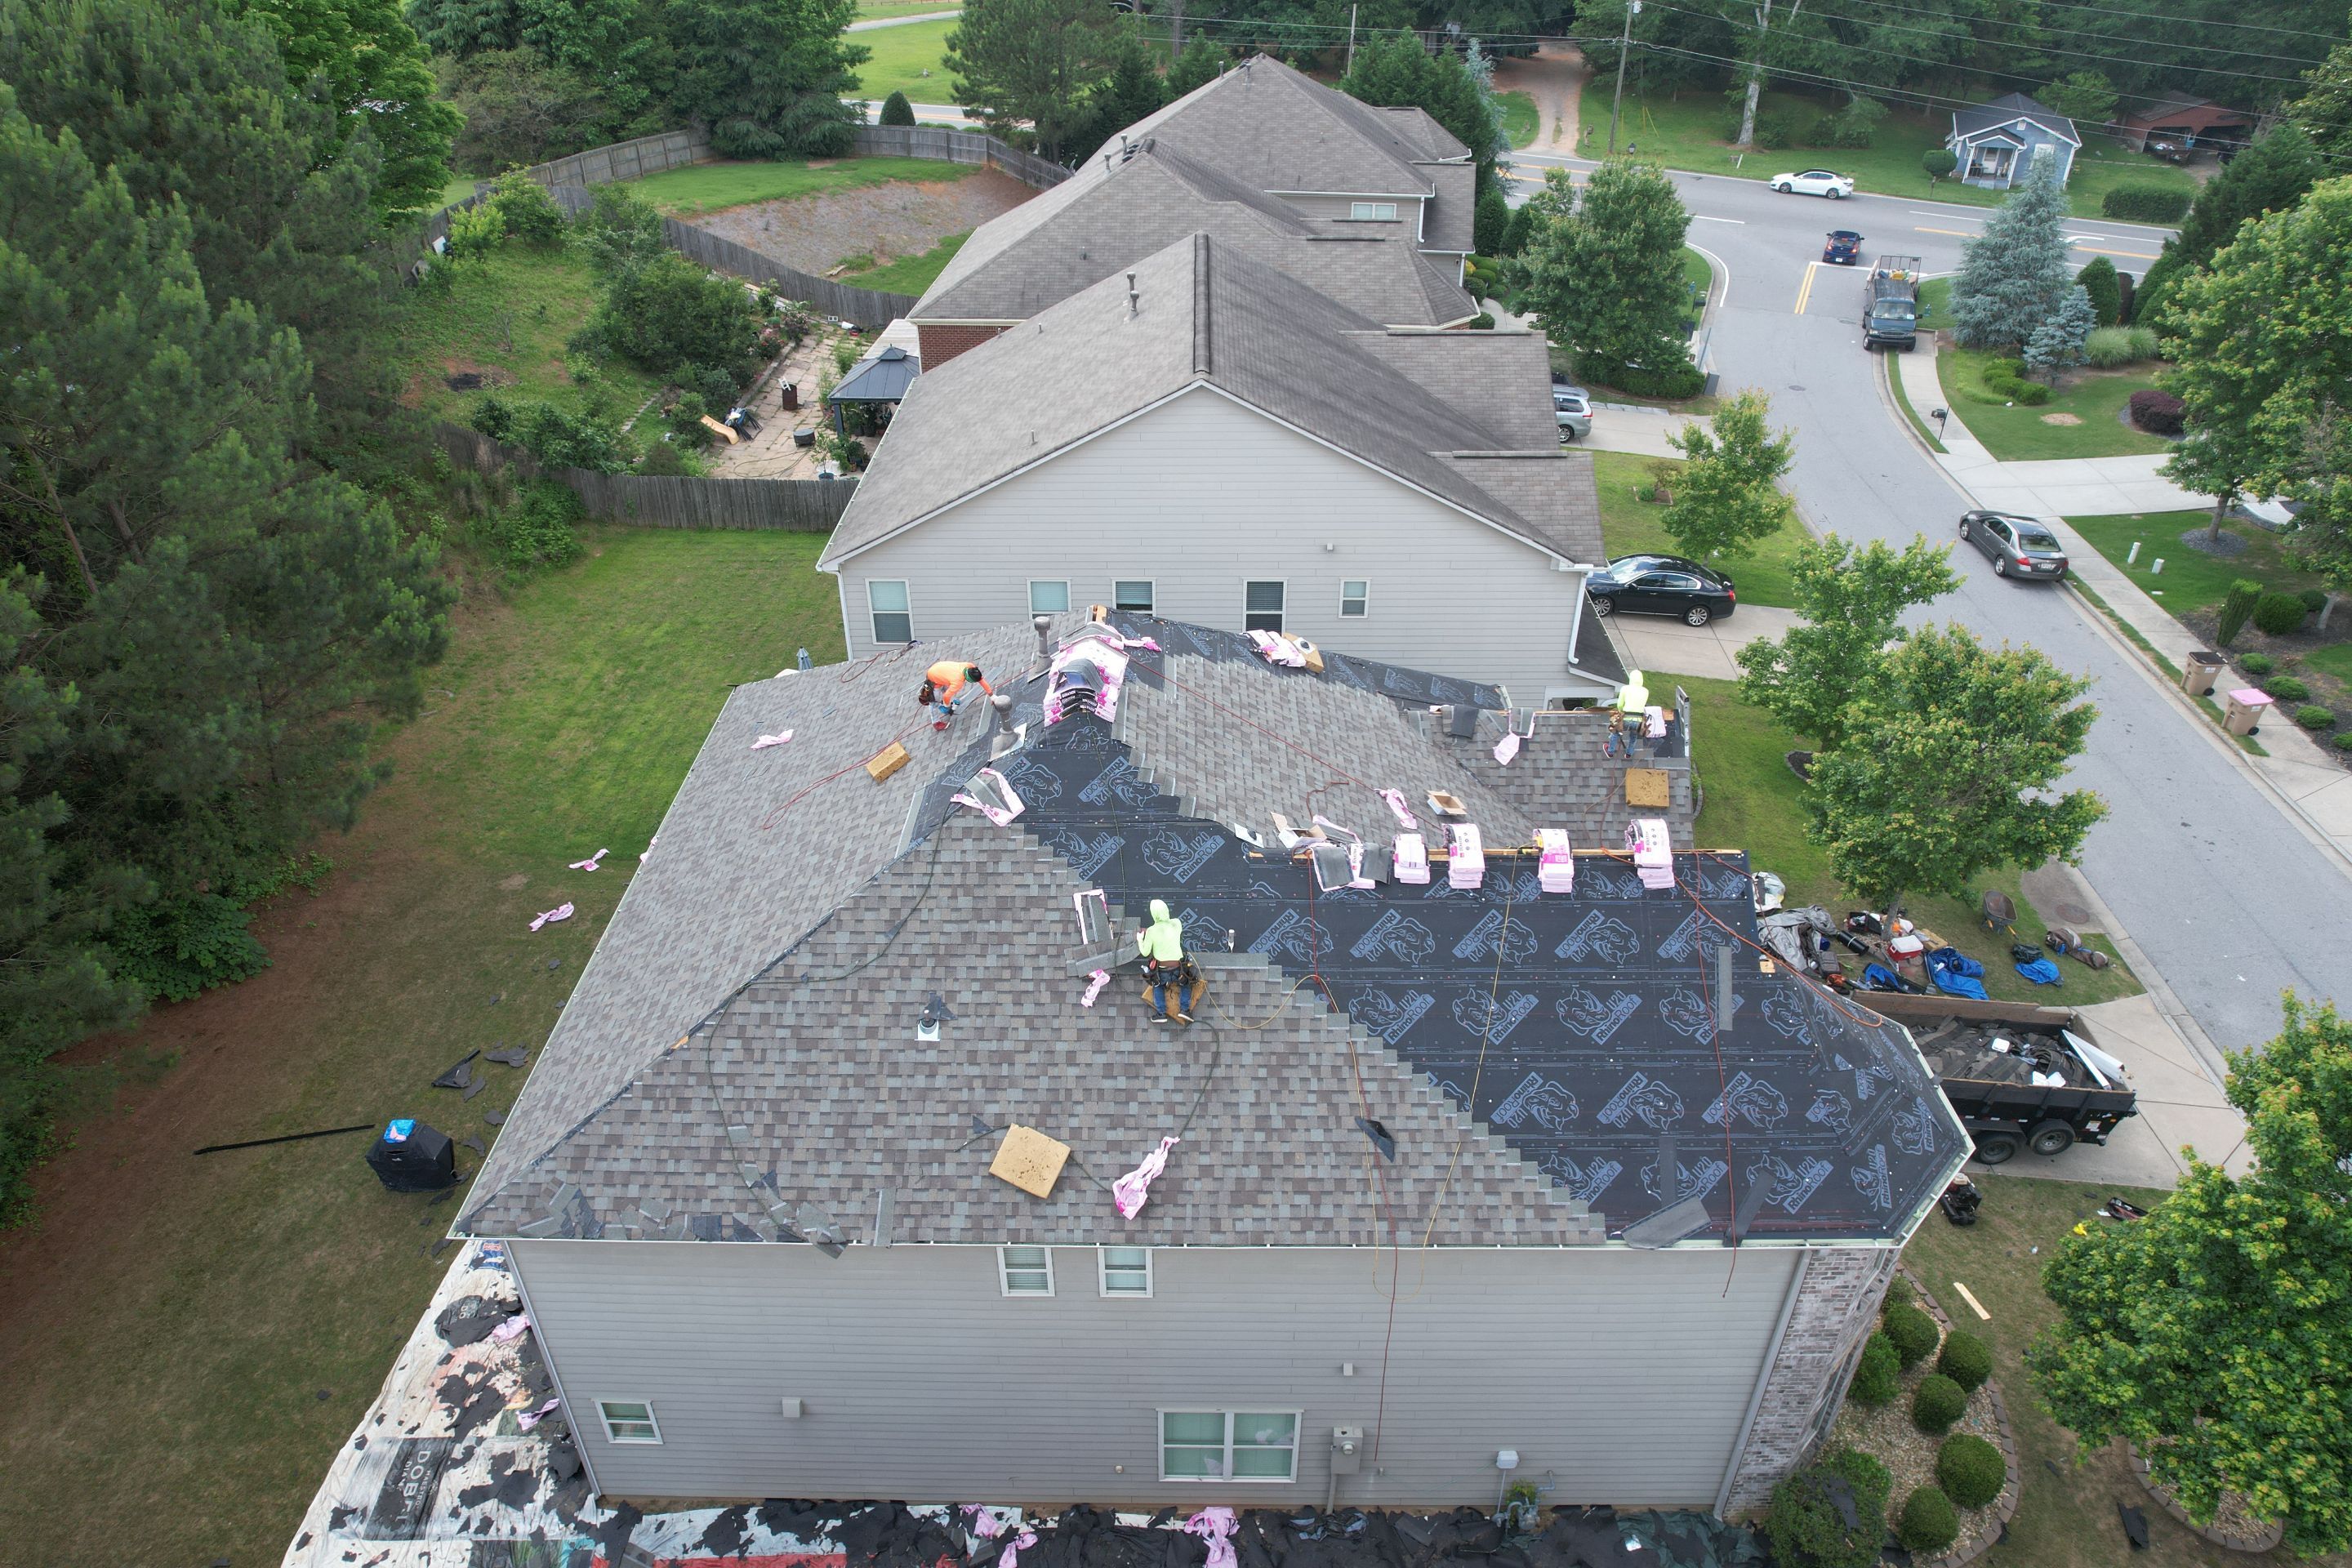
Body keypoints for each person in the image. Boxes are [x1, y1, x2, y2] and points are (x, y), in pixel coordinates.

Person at [1135, 898, 1191, 1023]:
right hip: (1178, 968)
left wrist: (1140, 939)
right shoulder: (1177, 923)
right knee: (1186, 984)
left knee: (1158, 986)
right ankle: (1185, 1010)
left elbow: (1145, 952)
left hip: (1162, 971)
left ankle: (1161, 1013)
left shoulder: (1151, 931)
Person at [915, 661, 994, 728]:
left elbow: (981, 680)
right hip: (933, 677)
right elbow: (946, 696)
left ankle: (944, 704)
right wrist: (947, 707)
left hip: (940, 669)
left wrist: (992, 696)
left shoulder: (970, 666)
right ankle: (936, 723)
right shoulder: (958, 682)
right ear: (969, 680)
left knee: (947, 691)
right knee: (934, 702)